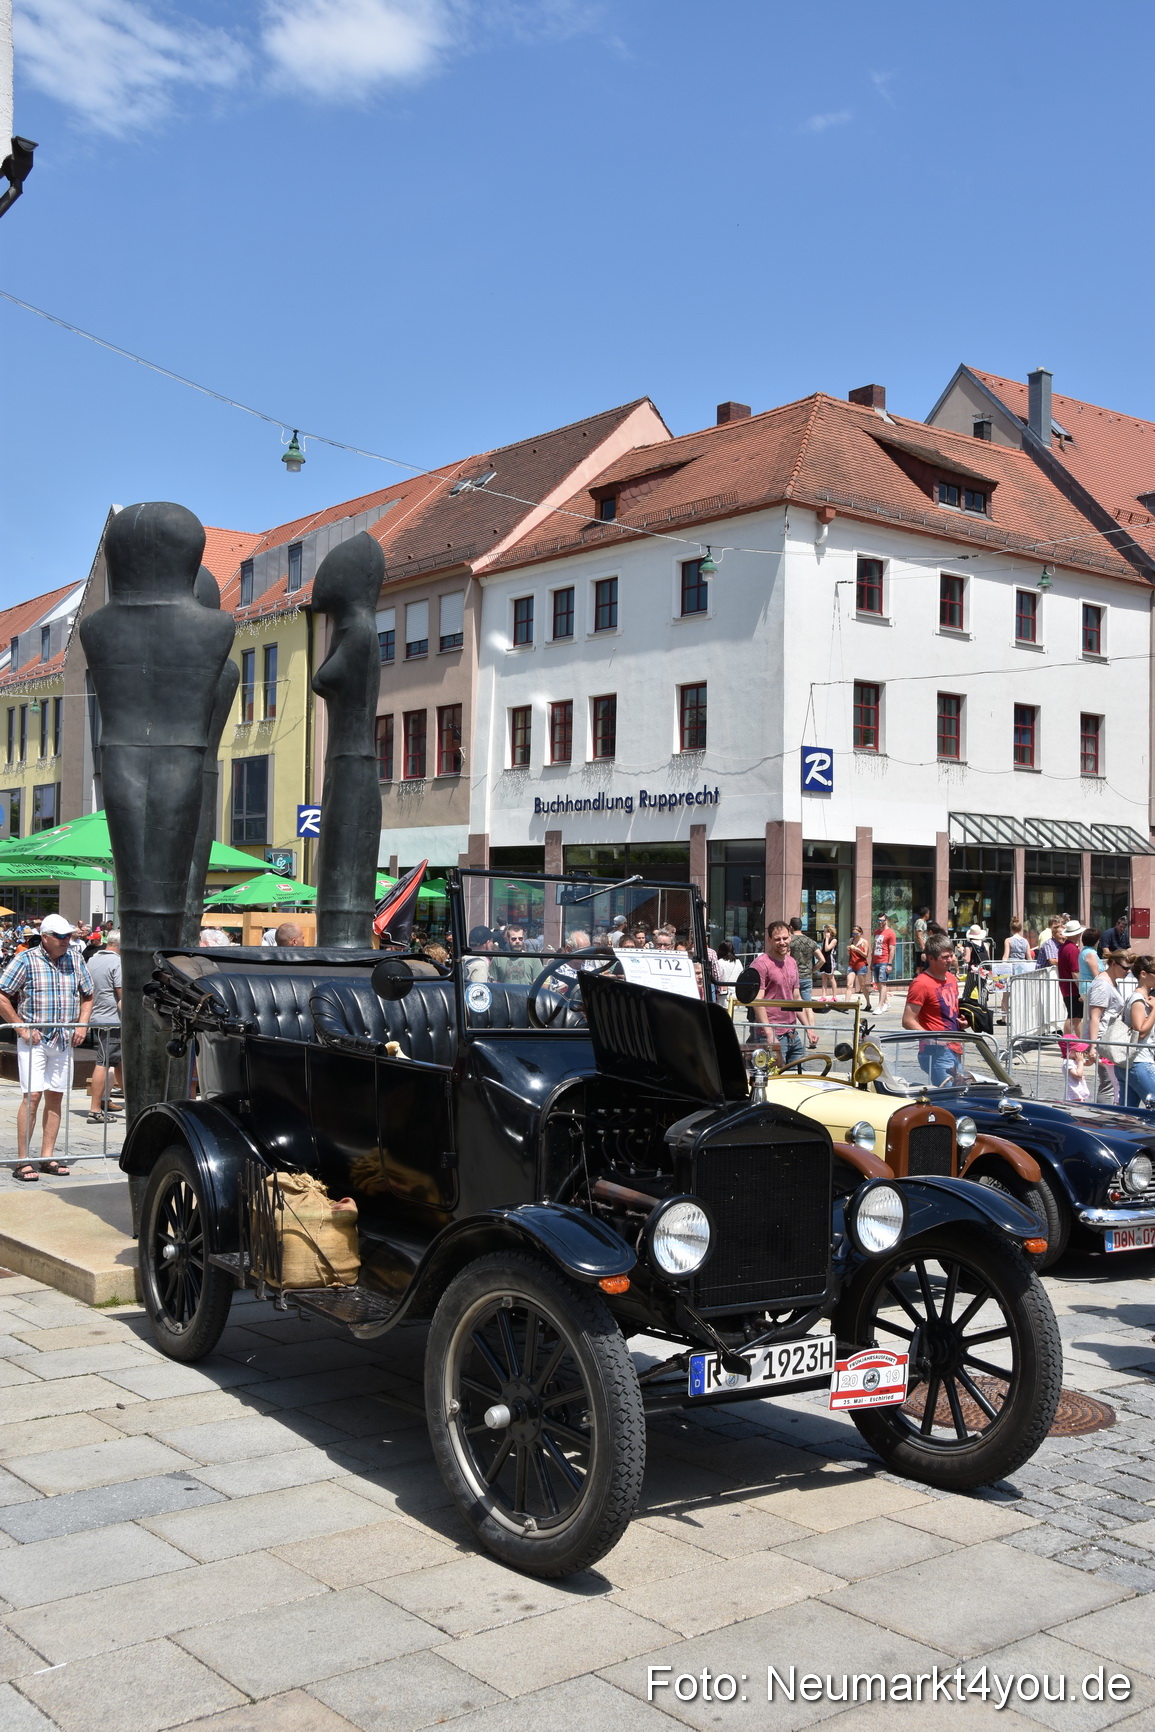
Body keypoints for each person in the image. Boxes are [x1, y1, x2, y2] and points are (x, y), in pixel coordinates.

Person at [0, 914, 94, 1180]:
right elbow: (2, 995)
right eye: (61, 936)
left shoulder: (75, 958)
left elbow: (88, 995)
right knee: (32, 1096)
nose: (67, 941)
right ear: (46, 937)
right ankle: (23, 1160)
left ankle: (47, 1156)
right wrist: (20, 1027)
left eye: (69, 936)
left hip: (63, 1039)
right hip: (35, 1039)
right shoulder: (25, 959)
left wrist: (81, 1025)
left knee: (56, 1096)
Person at [750, 922, 818, 1063]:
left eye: (785, 938)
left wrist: (808, 1029)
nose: (782, 942)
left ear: (790, 938)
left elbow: (796, 998)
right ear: (769, 940)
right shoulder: (760, 964)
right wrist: (769, 1033)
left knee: (795, 1078)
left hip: (792, 1034)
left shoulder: (792, 962)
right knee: (773, 1079)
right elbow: (758, 1001)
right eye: (777, 939)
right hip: (772, 1034)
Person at [901, 933, 963, 1085]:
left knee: (960, 1094)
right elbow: (908, 1021)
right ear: (931, 958)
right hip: (936, 1053)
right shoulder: (921, 983)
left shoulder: (951, 978)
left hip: (955, 1047)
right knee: (949, 1097)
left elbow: (950, 1012)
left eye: (951, 955)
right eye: (945, 957)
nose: (950, 960)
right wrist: (933, 1038)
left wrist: (961, 1023)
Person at [1084, 949, 1132, 1105]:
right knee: (1108, 1085)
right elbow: (1095, 1017)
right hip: (1102, 1040)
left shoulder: (1110, 981)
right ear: (1113, 963)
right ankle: (1104, 1121)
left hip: (1108, 1039)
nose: (1128, 971)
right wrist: (1093, 1047)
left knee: (1113, 1084)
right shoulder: (1102, 984)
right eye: (1125, 967)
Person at [86, 928, 122, 1124]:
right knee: (104, 1062)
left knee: (116, 1062)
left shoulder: (94, 958)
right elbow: (122, 997)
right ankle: (95, 1109)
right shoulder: (117, 962)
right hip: (112, 1019)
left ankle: (132, 1101)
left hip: (98, 1016)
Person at [1123, 955, 1155, 1108]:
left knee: (1126, 1117)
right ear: (1144, 974)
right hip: (1138, 1062)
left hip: (1133, 1062)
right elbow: (1140, 1031)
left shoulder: (1145, 998)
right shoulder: (1137, 999)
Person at [1057, 919, 1084, 1035]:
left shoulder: (1064, 947)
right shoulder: (1072, 949)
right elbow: (1075, 973)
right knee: (1075, 1018)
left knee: (1073, 1017)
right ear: (1077, 934)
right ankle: (1075, 1044)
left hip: (1067, 987)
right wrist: (1081, 989)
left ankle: (1072, 1044)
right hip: (1072, 988)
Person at [788, 918, 821, 1009]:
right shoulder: (810, 941)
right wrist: (812, 970)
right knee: (807, 1006)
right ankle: (810, 1023)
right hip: (807, 977)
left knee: (790, 1005)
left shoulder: (789, 941)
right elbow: (822, 959)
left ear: (791, 927)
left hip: (793, 977)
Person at [870, 913, 897, 1010]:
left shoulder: (890, 933)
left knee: (882, 983)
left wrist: (889, 964)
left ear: (886, 921)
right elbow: (874, 947)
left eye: (882, 920)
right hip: (876, 961)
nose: (880, 923)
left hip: (884, 961)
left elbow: (892, 949)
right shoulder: (876, 932)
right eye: (878, 921)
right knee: (877, 983)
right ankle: (886, 1002)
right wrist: (872, 961)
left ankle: (879, 1006)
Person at [816, 924, 840, 1002]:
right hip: (823, 960)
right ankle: (823, 995)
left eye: (826, 931)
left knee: (831, 978)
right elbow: (822, 949)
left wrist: (827, 939)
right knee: (824, 978)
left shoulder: (834, 940)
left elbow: (827, 949)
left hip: (830, 960)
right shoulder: (824, 940)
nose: (825, 933)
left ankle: (834, 996)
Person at [847, 926, 870, 999]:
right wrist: (848, 950)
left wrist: (858, 950)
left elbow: (866, 955)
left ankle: (868, 1003)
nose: (855, 936)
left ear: (861, 933)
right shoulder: (851, 941)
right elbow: (848, 954)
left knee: (862, 986)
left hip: (861, 965)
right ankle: (846, 1004)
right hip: (852, 965)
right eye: (853, 934)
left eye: (856, 934)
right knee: (849, 984)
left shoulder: (864, 942)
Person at [1079, 928, 1102, 999]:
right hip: (1091, 989)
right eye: (1098, 939)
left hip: (1087, 988)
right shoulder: (1090, 954)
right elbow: (1096, 975)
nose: (1099, 941)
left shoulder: (1084, 951)